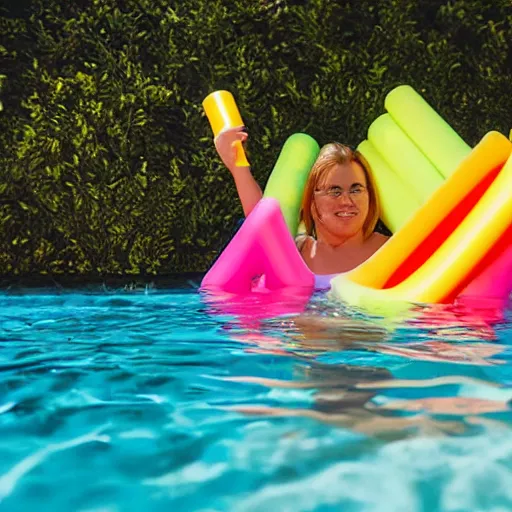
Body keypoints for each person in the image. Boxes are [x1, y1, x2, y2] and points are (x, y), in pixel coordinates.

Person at [214, 127, 389, 275]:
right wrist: (237, 167)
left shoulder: (389, 250)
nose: (347, 201)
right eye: (334, 191)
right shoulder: (298, 252)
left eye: (356, 189)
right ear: (312, 201)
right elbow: (263, 227)